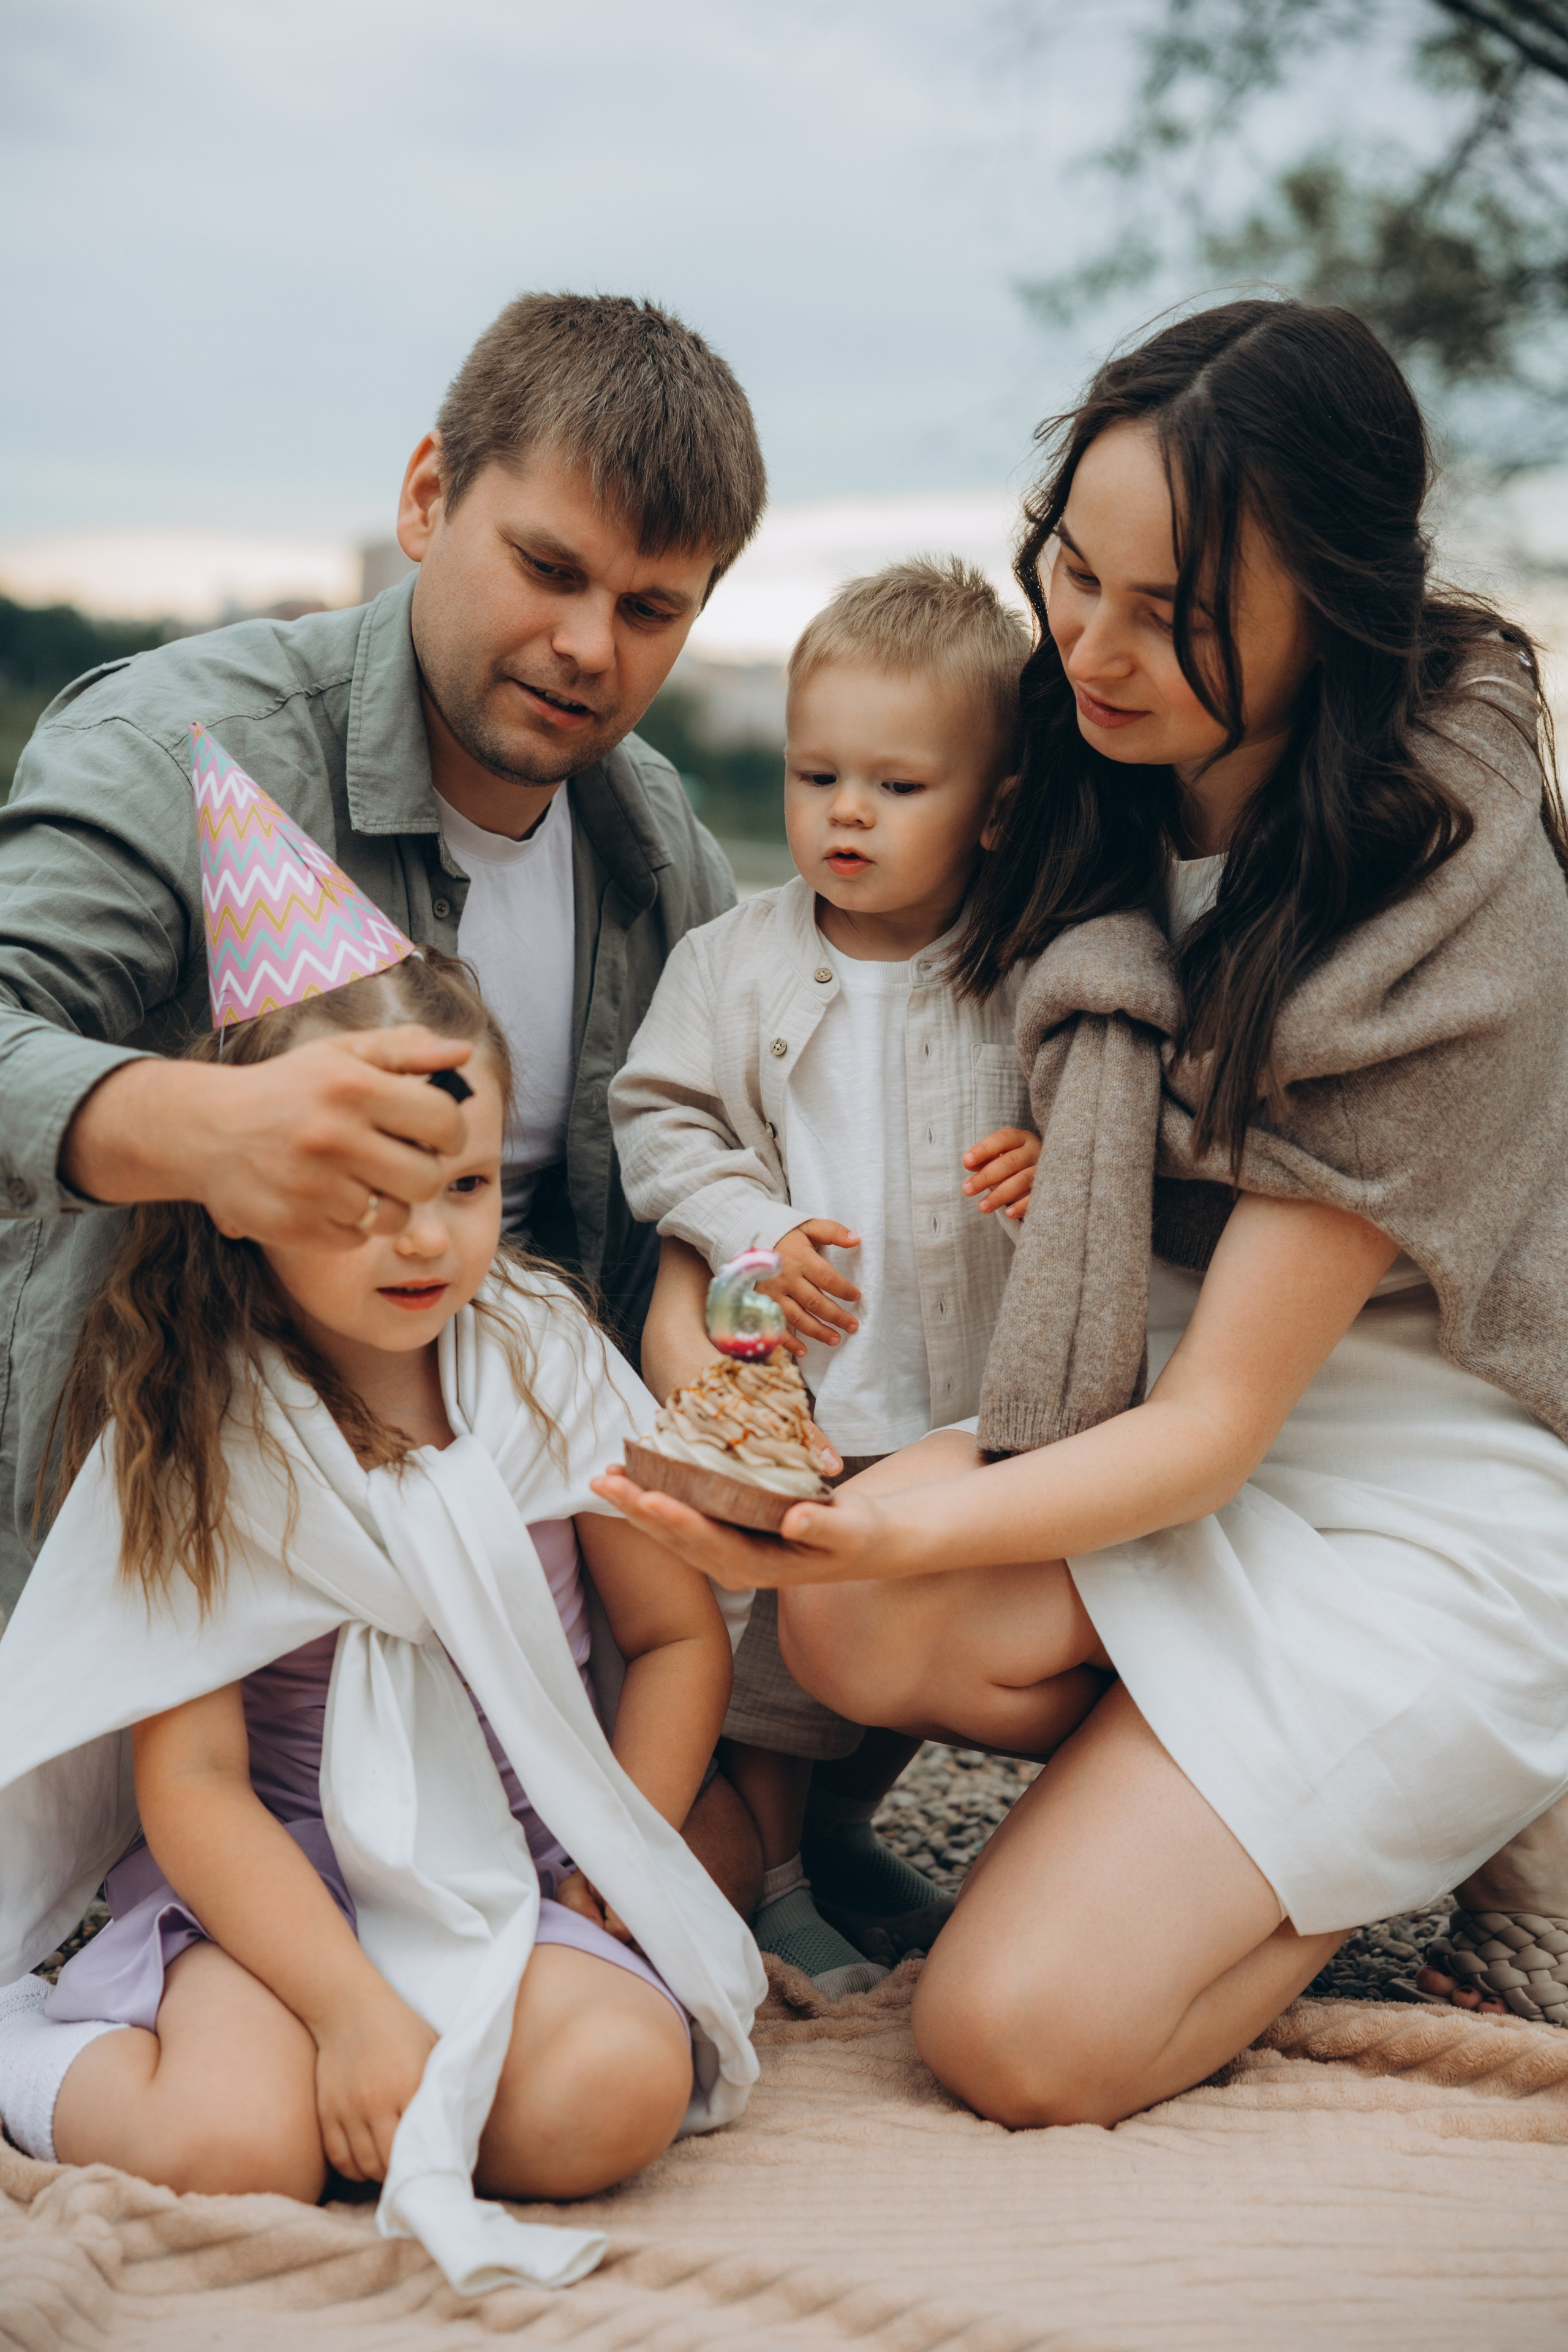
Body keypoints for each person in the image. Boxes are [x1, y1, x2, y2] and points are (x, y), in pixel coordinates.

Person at [595, 298, 1568, 2120]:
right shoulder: (1086, 759)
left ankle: (1445, 1774)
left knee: (1010, 2040)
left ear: (1334, 608)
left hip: (1387, 1479)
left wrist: (889, 1529)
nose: (1098, 651)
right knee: (852, 1630)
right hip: (1129, 1403)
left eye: (1176, 616)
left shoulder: (1433, 880)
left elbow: (1220, 1424)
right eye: (1076, 572)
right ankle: (1234, 1793)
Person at [0, 894, 763, 2292]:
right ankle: (69, 2058)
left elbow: (667, 1639)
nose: (423, 1242)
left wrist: (614, 1866)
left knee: (615, 2087)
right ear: (246, 1195)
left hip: (509, 1874)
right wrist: (346, 2008)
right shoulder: (197, 1416)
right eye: (366, 1197)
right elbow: (198, 1783)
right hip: (271, 1894)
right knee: (239, 2146)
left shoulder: (542, 1362)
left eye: (462, 1187)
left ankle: (399, 2082)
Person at [0, 290, 765, 1626]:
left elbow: (747, 1151)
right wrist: (196, 1125)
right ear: (427, 498)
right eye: (547, 568)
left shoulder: (666, 856)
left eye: (651, 610)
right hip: (184, 1556)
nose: (590, 647)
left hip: (542, 1559)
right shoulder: (173, 745)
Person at [611, 559, 1040, 1994]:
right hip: (812, 1387)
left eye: (897, 786)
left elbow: (1125, 1136)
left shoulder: (1027, 969)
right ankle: (781, 1882)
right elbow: (659, 1119)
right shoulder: (731, 963)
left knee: (908, 1651)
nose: (845, 813)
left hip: (970, 1400)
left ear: (992, 803)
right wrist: (750, 1227)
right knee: (778, 1666)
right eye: (815, 775)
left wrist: (1053, 1167)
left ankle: (889, 1855)